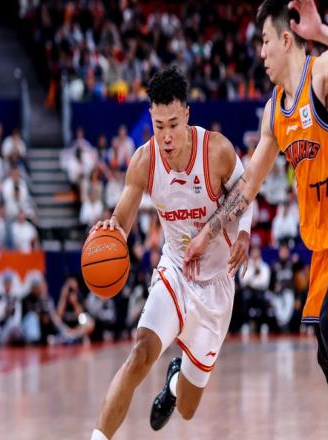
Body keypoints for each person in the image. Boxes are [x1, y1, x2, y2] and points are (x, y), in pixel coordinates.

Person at [184, 2, 328, 439]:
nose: (260, 53)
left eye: (264, 42)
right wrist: (207, 233)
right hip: (323, 249)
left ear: (285, 39)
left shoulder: (321, 77)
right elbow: (248, 185)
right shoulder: (274, 113)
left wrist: (322, 31)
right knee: (324, 351)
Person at [89, 66, 252, 440]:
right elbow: (123, 218)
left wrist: (243, 233)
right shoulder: (144, 161)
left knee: (189, 409)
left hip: (216, 285)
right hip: (175, 272)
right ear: (150, 117)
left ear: (187, 115)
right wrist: (112, 230)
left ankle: (175, 381)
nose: (165, 135)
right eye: (158, 125)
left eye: (173, 125)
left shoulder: (217, 150)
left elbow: (246, 194)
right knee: (140, 353)